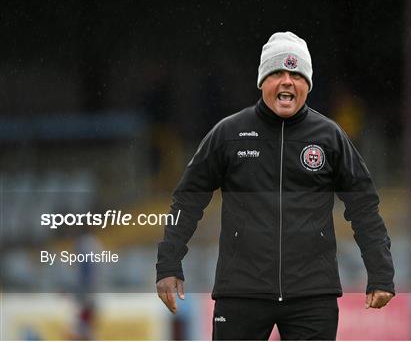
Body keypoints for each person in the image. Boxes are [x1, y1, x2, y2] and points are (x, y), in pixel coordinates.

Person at [156, 31, 395, 340]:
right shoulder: (229, 134)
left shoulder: (330, 137)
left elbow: (364, 207)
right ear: (262, 81)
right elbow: (187, 201)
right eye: (277, 72)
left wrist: (380, 272)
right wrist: (169, 264)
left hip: (313, 295)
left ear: (307, 84)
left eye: (296, 74)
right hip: (241, 292)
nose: (287, 81)